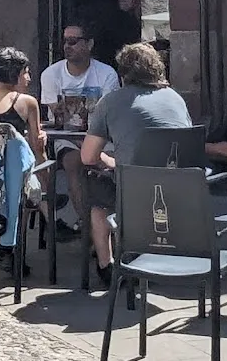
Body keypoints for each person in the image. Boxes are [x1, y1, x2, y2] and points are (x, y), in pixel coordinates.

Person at [80, 42, 193, 287]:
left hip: (134, 190)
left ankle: (106, 265)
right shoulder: (176, 99)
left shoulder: (110, 102)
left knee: (97, 194)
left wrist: (110, 161)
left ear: (123, 73)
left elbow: (88, 157)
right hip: (179, 189)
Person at [0, 47, 73, 250]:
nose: (29, 78)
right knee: (31, 177)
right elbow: (37, 148)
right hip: (11, 180)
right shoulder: (26, 102)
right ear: (15, 75)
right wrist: (48, 181)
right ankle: (25, 238)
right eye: (26, 72)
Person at [40, 23, 121, 240]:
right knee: (73, 162)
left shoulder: (106, 73)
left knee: (113, 162)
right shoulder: (51, 74)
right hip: (66, 137)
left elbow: (108, 114)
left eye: (73, 41)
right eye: (65, 41)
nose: (68, 46)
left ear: (89, 44)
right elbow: (58, 115)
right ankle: (90, 230)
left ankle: (112, 227)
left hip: (102, 136)